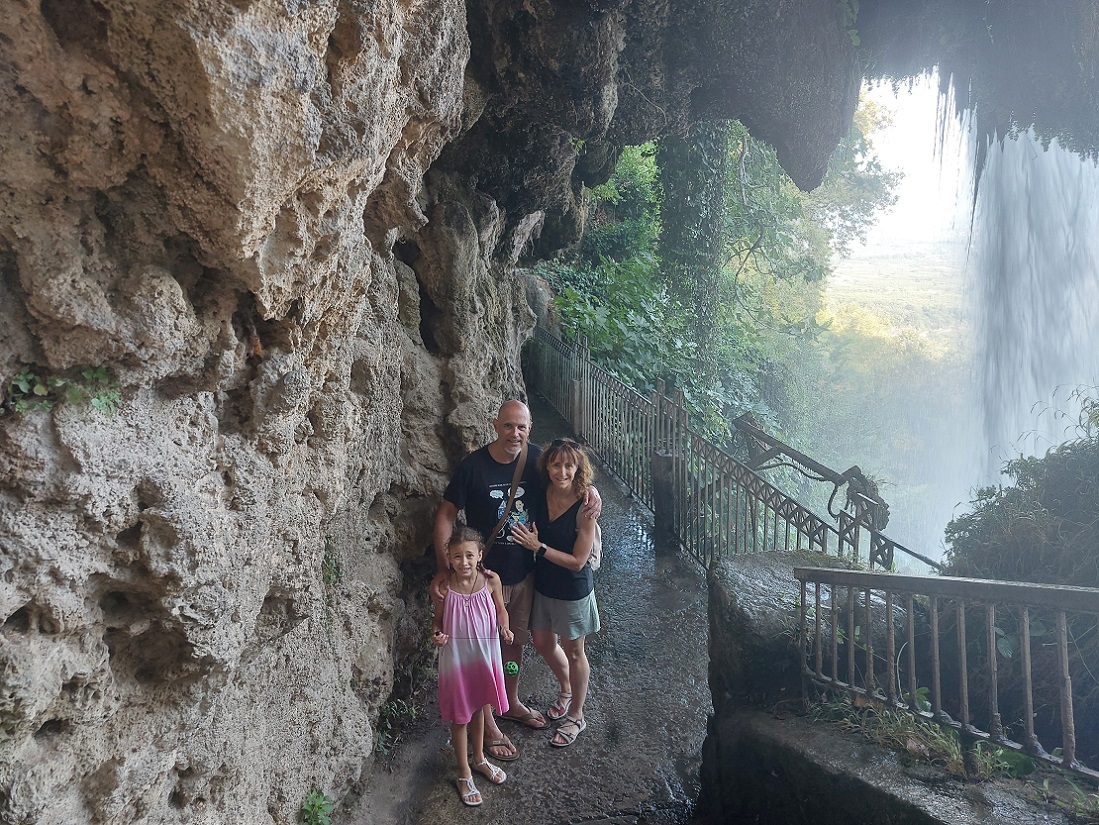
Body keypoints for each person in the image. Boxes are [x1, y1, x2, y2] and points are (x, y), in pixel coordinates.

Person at [433, 399, 598, 761]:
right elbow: (446, 514)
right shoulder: (473, 467)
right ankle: (489, 722)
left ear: (530, 427)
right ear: (495, 425)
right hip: (484, 580)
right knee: (481, 650)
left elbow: (570, 476)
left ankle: (508, 700)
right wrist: (445, 565)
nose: (515, 434)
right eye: (508, 426)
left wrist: (593, 494)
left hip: (525, 577)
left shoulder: (537, 460)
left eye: (521, 427)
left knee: (513, 646)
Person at [511, 438, 600, 747]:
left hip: (573, 588)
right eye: (556, 464)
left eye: (569, 465)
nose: (562, 471)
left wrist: (539, 547)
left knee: (575, 650)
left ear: (578, 469)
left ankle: (577, 715)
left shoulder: (585, 505)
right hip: (545, 582)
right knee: (542, 641)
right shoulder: (541, 490)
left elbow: (578, 562)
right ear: (547, 466)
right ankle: (565, 688)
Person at [433, 526, 512, 807]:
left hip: (484, 655)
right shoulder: (444, 588)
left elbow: (501, 609)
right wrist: (437, 634)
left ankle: (479, 759)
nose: (463, 562)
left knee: (481, 707)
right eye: (457, 556)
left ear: (480, 555)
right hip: (456, 658)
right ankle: (463, 772)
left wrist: (504, 627)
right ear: (449, 559)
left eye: (469, 555)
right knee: (460, 716)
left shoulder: (491, 581)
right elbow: (438, 621)